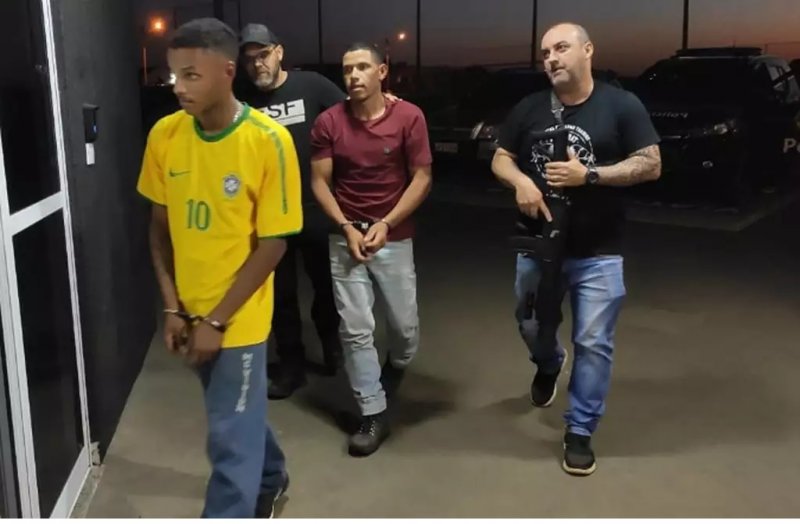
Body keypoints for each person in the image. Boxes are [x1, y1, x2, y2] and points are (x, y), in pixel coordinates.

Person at [137, 18, 302, 517]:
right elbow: (159, 231)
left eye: (192, 75)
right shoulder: (165, 135)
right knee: (236, 412)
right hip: (191, 311)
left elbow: (273, 245)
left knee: (229, 440)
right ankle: (270, 475)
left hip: (239, 320)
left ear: (228, 72)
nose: (178, 86)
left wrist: (216, 321)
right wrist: (173, 307)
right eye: (175, 75)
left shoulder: (268, 141)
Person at [491, 22, 661, 476]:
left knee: (593, 341)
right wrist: (520, 181)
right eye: (545, 52)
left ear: (588, 50)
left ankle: (580, 430)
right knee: (530, 324)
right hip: (537, 244)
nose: (551, 58)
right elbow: (501, 157)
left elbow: (650, 164)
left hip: (598, 250)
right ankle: (548, 363)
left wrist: (590, 176)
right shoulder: (529, 108)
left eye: (561, 48)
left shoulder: (620, 104)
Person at [310, 43, 433, 457]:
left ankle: (397, 364)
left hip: (393, 237)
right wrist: (345, 227)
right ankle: (372, 412)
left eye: (363, 67)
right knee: (356, 329)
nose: (354, 76)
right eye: (347, 69)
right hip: (345, 239)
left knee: (404, 329)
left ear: (382, 72)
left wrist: (387, 223)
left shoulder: (409, 117)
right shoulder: (329, 121)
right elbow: (319, 181)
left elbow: (421, 177)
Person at [238, 23, 347, 399]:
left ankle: (331, 344)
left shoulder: (311, 85)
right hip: (270, 218)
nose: (257, 65)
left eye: (263, 55)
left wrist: (385, 104)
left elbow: (351, 116)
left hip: (316, 209)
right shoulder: (242, 100)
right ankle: (291, 366)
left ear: (279, 52)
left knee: (327, 287)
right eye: (249, 60)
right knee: (280, 296)